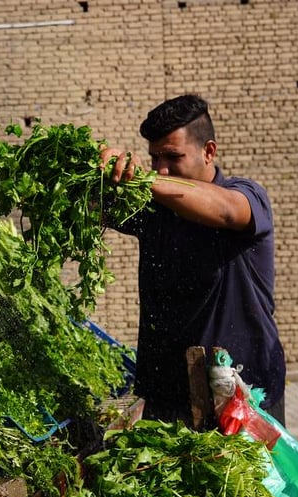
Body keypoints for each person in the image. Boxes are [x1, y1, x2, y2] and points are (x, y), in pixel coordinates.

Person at [100, 94, 286, 426]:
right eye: (154, 158)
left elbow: (227, 211)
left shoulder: (247, 195)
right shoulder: (154, 210)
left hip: (241, 396)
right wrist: (99, 167)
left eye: (173, 157)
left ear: (208, 151)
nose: (161, 169)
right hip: (169, 397)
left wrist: (146, 179)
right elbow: (90, 206)